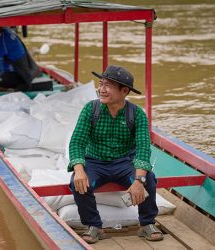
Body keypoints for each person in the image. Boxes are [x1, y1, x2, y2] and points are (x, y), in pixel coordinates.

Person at [68, 65, 164, 244]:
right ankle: (94, 226)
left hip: (125, 162)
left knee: (149, 179)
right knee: (78, 183)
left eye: (108, 86)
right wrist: (79, 170)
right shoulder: (91, 109)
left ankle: (147, 224)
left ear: (124, 91)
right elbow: (77, 143)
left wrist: (138, 181)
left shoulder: (137, 114)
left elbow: (143, 149)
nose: (101, 90)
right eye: (101, 84)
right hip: (95, 162)